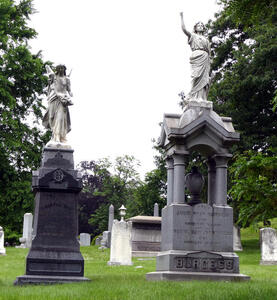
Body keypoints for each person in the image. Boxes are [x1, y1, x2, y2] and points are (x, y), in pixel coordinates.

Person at [180, 12, 211, 101]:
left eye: (202, 25)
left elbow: (209, 53)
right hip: (196, 56)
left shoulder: (206, 39)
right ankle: (192, 95)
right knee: (196, 76)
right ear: (195, 27)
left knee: (204, 79)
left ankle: (201, 97)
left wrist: (210, 61)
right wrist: (181, 16)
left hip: (205, 57)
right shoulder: (193, 36)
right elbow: (184, 29)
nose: (200, 26)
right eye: (199, 25)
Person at [42, 64, 73, 145]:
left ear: (64, 69)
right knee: (52, 118)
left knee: (60, 119)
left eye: (62, 68)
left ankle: (59, 137)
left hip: (62, 101)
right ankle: (54, 136)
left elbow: (69, 90)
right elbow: (49, 87)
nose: (61, 70)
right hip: (53, 99)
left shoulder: (67, 79)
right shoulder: (54, 78)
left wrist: (70, 95)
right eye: (59, 68)